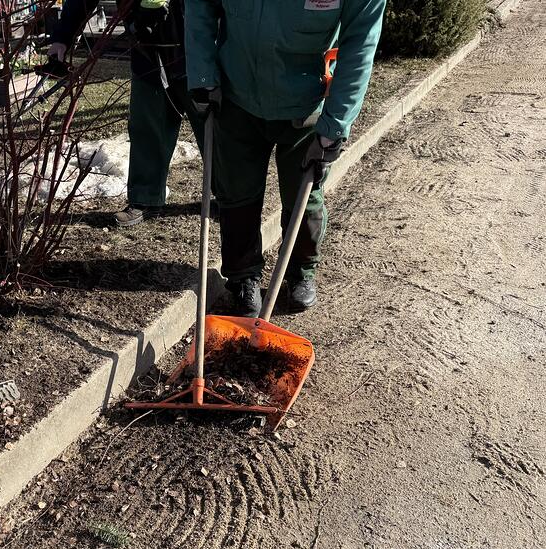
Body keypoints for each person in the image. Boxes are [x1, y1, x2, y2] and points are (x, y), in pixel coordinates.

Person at [185, 0, 385, 314]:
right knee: (236, 192)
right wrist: (201, 74)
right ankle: (242, 277)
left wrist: (336, 123)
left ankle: (300, 272)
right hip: (237, 95)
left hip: (305, 102)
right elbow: (200, 6)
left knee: (302, 194)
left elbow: (360, 41)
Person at [47, 0, 204, 227]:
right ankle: (146, 199)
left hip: (196, 49)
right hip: (147, 49)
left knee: (213, 127)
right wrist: (63, 35)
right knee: (148, 126)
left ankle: (229, 196)